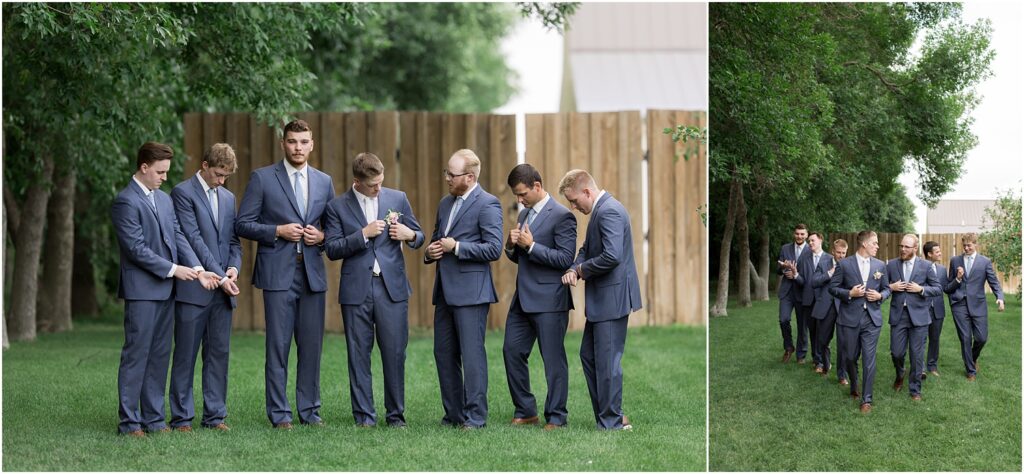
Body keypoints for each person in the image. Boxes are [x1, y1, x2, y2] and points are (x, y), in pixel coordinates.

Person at [111, 142, 220, 437]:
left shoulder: (163, 199)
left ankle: (155, 420)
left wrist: (198, 270)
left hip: (165, 291)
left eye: (167, 172)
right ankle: (129, 423)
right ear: (143, 167)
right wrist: (175, 270)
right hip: (141, 292)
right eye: (159, 172)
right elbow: (136, 249)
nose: (164, 177)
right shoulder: (125, 201)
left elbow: (178, 236)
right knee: (137, 355)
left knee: (159, 356)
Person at [235, 119, 335, 429]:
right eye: (292, 141)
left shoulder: (324, 181)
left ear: (312, 144)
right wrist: (277, 230)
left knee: (311, 347)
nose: (298, 147)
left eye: (304, 142)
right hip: (278, 273)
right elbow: (242, 224)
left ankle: (310, 411)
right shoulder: (263, 178)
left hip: (312, 275)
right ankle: (279, 415)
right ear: (283, 144)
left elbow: (335, 227)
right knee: (277, 346)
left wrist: (322, 237)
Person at [323, 152, 424, 428]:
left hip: (392, 289)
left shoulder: (397, 198)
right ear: (357, 182)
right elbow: (331, 249)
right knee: (358, 354)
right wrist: (362, 235)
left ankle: (396, 416)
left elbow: (420, 236)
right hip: (356, 290)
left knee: (395, 353)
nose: (379, 188)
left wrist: (410, 234)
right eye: (373, 185)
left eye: (381, 182)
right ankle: (364, 417)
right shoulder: (336, 207)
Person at [424, 149, 503, 429]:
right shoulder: (445, 203)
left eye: (451, 174)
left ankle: (476, 417)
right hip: (444, 291)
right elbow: (436, 239)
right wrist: (431, 251)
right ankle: (454, 415)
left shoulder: (488, 204)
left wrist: (456, 247)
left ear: (469, 178)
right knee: (443, 353)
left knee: (471, 356)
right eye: (446, 172)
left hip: (472, 293)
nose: (446, 177)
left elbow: (494, 248)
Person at [559, 169, 642, 431]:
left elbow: (612, 256)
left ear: (587, 191)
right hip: (603, 298)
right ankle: (609, 415)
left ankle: (612, 421)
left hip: (611, 297)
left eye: (574, 201)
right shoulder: (600, 211)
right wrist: (574, 266)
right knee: (589, 356)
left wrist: (582, 271)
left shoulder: (609, 211)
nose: (573, 207)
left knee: (607, 361)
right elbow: (587, 248)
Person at [168, 143, 242, 432]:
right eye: (218, 174)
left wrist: (234, 269)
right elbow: (193, 239)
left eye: (226, 176)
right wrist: (219, 277)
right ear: (204, 165)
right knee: (186, 353)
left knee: (218, 355)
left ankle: (215, 416)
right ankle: (182, 418)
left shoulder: (228, 197)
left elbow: (234, 242)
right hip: (193, 288)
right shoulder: (182, 193)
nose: (221, 180)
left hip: (223, 291)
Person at [501, 164, 577, 430]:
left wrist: (531, 246)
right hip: (522, 299)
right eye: (516, 196)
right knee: (511, 351)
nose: (519, 200)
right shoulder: (523, 215)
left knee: (553, 360)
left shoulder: (562, 216)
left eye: (522, 194)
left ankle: (557, 416)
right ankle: (526, 410)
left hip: (550, 301)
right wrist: (511, 246)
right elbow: (519, 256)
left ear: (537, 186)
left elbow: (566, 259)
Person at [829, 230, 890, 414]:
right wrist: (849, 293)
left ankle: (867, 399)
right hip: (849, 318)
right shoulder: (845, 264)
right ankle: (854, 385)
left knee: (869, 359)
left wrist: (880, 295)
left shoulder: (880, 265)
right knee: (849, 357)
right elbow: (833, 288)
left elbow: (887, 288)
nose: (878, 246)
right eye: (875, 243)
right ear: (864, 244)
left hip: (872, 319)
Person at [885, 234, 941, 401]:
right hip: (898, 316)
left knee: (916, 355)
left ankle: (915, 389)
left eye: (906, 247)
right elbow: (882, 287)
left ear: (915, 248)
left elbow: (937, 288)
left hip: (919, 317)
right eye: (901, 246)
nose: (902, 249)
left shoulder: (925, 266)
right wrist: (891, 286)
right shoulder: (892, 265)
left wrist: (921, 289)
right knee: (896, 353)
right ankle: (900, 371)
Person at [945, 232, 1005, 381]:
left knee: (981, 338)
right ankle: (970, 371)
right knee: (965, 338)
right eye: (964, 245)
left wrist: (1000, 297)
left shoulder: (984, 262)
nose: (966, 248)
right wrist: (958, 279)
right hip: (959, 304)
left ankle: (972, 358)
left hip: (978, 304)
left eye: (969, 245)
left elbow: (994, 281)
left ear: (975, 244)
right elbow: (948, 287)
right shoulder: (955, 261)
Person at [813, 239, 851, 384]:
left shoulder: (849, 265)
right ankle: (825, 364)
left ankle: (842, 375)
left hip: (843, 307)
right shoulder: (823, 264)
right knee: (823, 340)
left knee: (843, 343)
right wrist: (829, 273)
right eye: (838, 252)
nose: (841, 255)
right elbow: (814, 282)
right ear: (833, 252)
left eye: (844, 253)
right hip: (826, 308)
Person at [794, 232, 827, 372]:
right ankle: (816, 358)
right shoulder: (804, 259)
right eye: (809, 241)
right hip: (808, 300)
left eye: (812, 240)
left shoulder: (829, 259)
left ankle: (821, 361)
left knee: (822, 332)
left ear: (820, 240)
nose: (810, 243)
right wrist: (795, 274)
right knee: (812, 331)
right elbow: (802, 281)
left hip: (823, 301)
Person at [777, 224, 810, 363]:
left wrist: (796, 275)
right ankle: (789, 347)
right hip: (787, 292)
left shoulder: (811, 250)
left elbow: (811, 273)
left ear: (806, 235)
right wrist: (784, 268)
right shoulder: (785, 248)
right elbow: (778, 270)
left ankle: (801, 355)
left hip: (802, 292)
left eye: (802, 234)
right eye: (797, 233)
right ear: (794, 234)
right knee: (783, 319)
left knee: (802, 325)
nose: (799, 236)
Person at [922, 241, 952, 378]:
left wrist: (957, 280)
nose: (940, 254)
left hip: (938, 310)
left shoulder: (941, 269)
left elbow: (945, 289)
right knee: (920, 339)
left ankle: (932, 366)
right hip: (922, 309)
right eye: (937, 252)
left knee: (935, 339)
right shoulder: (920, 267)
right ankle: (920, 367)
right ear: (929, 254)